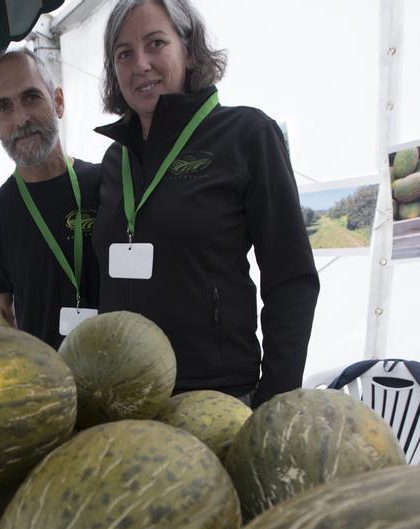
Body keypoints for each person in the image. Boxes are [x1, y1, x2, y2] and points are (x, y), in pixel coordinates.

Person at [92, 0, 318, 408]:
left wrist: (275, 400)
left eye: (155, 43)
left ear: (190, 49)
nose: (140, 63)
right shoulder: (115, 161)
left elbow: (291, 279)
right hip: (126, 395)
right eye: (123, 53)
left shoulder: (247, 134)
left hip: (216, 394)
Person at [0, 49, 103, 349]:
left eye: (31, 97)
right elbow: (2, 317)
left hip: (129, 372)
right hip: (51, 385)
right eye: (4, 108)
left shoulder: (106, 183)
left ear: (58, 101)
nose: (21, 119)